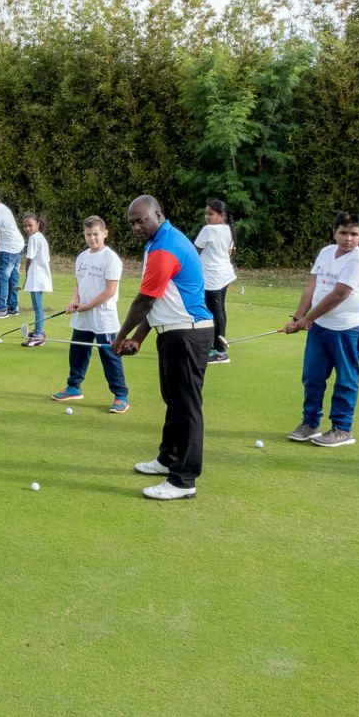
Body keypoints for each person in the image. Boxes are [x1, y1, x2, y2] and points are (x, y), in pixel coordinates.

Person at [112, 196, 214, 501]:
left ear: (159, 214)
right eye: (132, 222)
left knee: (186, 407)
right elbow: (158, 299)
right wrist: (139, 338)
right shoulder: (159, 242)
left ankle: (184, 479)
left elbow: (143, 301)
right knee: (174, 401)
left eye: (141, 220)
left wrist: (119, 337)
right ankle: (168, 458)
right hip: (173, 332)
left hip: (187, 334)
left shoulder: (164, 248)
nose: (136, 226)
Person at [284, 212, 359, 448]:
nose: (348, 238)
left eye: (354, 234)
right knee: (312, 376)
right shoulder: (326, 252)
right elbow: (312, 286)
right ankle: (310, 423)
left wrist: (307, 319)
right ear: (335, 233)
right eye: (343, 233)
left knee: (345, 378)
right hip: (320, 326)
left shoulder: (357, 261)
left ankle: (342, 428)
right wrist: (297, 318)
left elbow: (339, 295)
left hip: (348, 328)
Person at [50, 216, 129, 413]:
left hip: (104, 317)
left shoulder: (111, 259)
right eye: (88, 234)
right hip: (83, 315)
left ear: (105, 233)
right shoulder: (82, 257)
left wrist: (86, 306)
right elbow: (78, 283)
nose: (92, 238)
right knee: (77, 351)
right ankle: (74, 387)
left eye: (95, 234)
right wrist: (74, 301)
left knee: (110, 355)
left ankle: (120, 396)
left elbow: (110, 291)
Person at [195, 198, 237, 364]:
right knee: (219, 310)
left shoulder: (208, 230)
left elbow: (194, 251)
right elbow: (229, 252)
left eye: (211, 214)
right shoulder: (229, 229)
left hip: (213, 277)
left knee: (215, 311)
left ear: (222, 215)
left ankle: (219, 351)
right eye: (206, 214)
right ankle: (216, 346)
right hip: (223, 275)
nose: (207, 217)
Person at [0, 189, 24, 318]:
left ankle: (1, 309)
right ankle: (13, 307)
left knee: (2, 276)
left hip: (9, 248)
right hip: (18, 244)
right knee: (13, 276)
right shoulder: (3, 208)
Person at [20, 212, 53, 346]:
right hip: (40, 276)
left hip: (37, 277)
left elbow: (29, 258)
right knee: (37, 305)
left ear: (37, 225)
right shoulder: (40, 237)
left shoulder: (34, 238)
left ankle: (39, 335)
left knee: (37, 306)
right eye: (25, 226)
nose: (27, 229)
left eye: (30, 225)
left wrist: (27, 273)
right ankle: (38, 330)